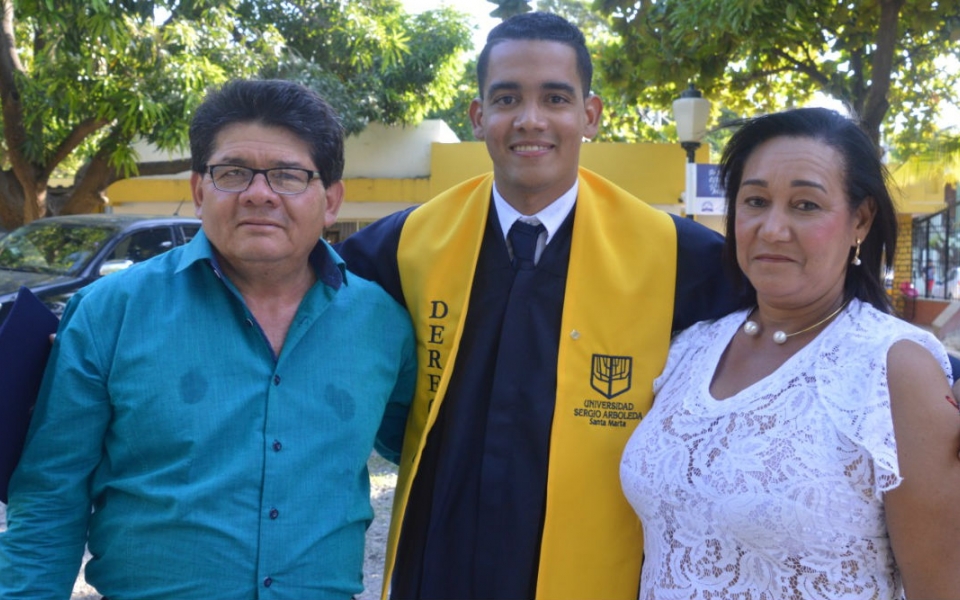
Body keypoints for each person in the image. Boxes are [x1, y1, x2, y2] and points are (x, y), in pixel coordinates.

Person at [336, 11, 739, 600]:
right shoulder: (408, 242)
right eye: (506, 99)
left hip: (594, 568)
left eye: (555, 97)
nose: (530, 120)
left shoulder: (683, 257)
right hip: (438, 561)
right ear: (479, 117)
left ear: (590, 114)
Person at [0, 79, 417, 599]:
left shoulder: (385, 324)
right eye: (233, 172)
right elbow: (49, 500)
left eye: (288, 175)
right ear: (200, 190)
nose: (258, 193)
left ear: (330, 200)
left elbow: (428, 456)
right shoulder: (111, 313)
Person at [620, 107, 960, 599]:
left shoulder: (893, 368)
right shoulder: (688, 349)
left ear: (860, 220)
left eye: (805, 206)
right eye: (755, 201)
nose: (773, 229)